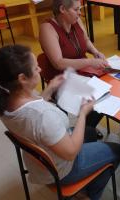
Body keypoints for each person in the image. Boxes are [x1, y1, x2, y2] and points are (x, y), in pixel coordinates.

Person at [0, 45, 120, 200]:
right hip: (63, 170)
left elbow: (33, 110)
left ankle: (89, 177)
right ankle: (90, 194)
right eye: (35, 67)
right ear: (22, 78)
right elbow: (71, 152)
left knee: (91, 133)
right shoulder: (43, 116)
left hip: (41, 164)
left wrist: (50, 88)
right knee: (119, 150)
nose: (39, 69)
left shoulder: (3, 101)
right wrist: (83, 114)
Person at [39, 0, 108, 136]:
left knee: (107, 90)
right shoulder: (47, 28)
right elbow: (58, 63)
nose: (80, 13)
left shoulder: (76, 21)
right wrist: (89, 62)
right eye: (76, 10)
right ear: (62, 9)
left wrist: (95, 52)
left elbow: (86, 40)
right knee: (96, 95)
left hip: (83, 72)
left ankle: (86, 128)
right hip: (61, 78)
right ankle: (82, 132)